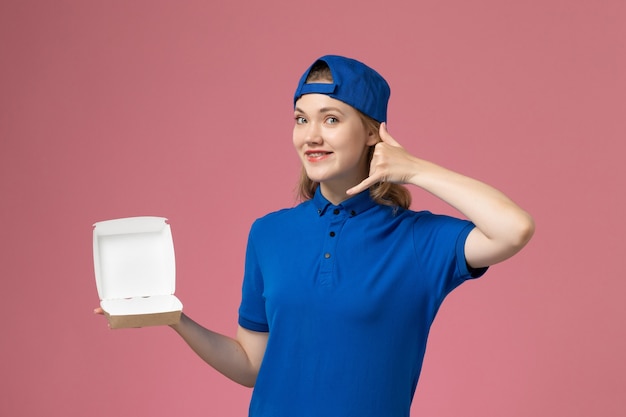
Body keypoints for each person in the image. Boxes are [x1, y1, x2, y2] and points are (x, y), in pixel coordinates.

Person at [96, 55, 535, 416]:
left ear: (371, 132)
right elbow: (252, 365)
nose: (311, 136)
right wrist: (175, 319)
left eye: (330, 119)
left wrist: (415, 168)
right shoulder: (269, 234)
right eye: (301, 118)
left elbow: (513, 229)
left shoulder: (418, 241)